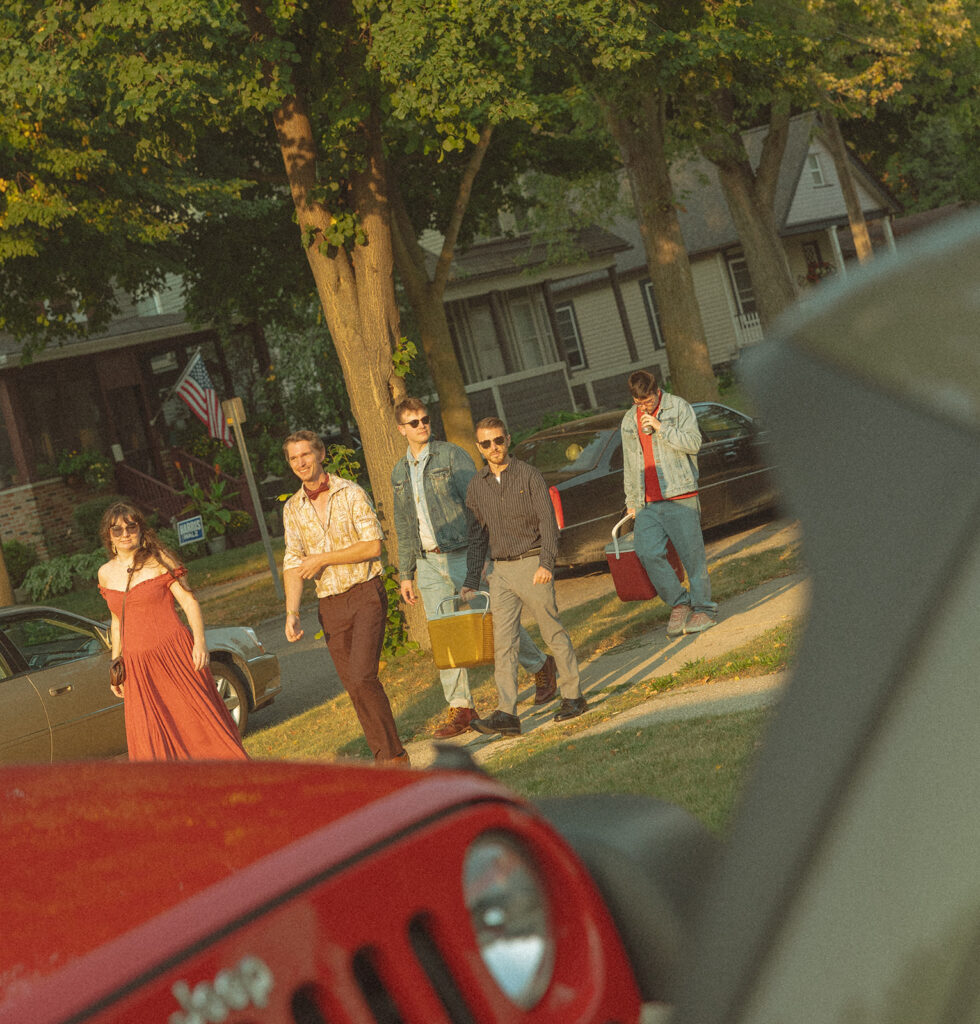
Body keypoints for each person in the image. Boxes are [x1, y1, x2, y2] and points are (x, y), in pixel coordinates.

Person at [391, 398, 557, 738]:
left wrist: (481, 558)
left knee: (494, 620)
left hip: (462, 553)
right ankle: (462, 707)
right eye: (414, 422)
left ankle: (540, 665)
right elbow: (404, 522)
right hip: (426, 562)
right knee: (443, 634)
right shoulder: (398, 472)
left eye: (425, 419)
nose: (422, 425)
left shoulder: (451, 456)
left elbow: (480, 504)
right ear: (401, 429)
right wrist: (406, 572)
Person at [281, 429, 408, 764]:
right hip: (330, 604)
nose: (300, 463)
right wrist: (291, 612)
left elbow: (372, 546)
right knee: (354, 686)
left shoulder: (350, 492)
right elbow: (293, 564)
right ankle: (383, 754)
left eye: (305, 454)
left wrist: (323, 558)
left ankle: (395, 757)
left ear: (320, 454)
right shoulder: (293, 509)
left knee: (364, 675)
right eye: (293, 458)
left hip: (365, 593)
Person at [460, 417, 588, 736]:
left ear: (508, 439)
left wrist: (547, 563)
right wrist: (471, 579)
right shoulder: (477, 485)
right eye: (486, 443)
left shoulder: (528, 475)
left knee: (552, 632)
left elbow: (548, 522)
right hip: (500, 571)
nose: (494, 448)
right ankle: (507, 713)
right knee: (504, 644)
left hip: (533, 565)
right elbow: (476, 536)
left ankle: (573, 696)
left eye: (499, 441)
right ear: (479, 448)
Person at [97, 502, 248, 761]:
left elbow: (189, 602)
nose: (125, 534)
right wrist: (116, 662)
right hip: (138, 666)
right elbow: (116, 620)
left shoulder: (160, 560)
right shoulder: (105, 574)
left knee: (199, 722)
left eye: (131, 527)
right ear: (108, 536)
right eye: (117, 530)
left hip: (175, 654)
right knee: (152, 732)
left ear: (141, 530)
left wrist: (199, 643)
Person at [621, 369, 717, 636]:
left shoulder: (678, 407)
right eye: (638, 403)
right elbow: (629, 464)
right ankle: (679, 603)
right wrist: (632, 501)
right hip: (647, 502)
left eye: (648, 401)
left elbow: (694, 443)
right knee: (647, 552)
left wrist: (662, 427)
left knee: (692, 558)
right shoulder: (629, 420)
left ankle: (704, 609)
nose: (644, 407)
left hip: (680, 495)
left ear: (656, 391)